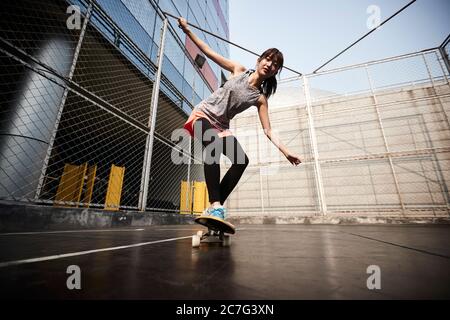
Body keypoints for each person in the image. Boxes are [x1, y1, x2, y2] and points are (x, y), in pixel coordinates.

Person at [179, 17, 302, 221]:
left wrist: (286, 152)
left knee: (241, 160)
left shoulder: (261, 98)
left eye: (275, 65)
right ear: (260, 59)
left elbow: (268, 130)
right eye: (268, 59)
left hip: (222, 126)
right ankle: (216, 205)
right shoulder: (238, 70)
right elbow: (208, 51)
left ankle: (214, 207)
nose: (270, 65)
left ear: (275, 72)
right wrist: (187, 30)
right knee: (213, 145)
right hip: (202, 115)